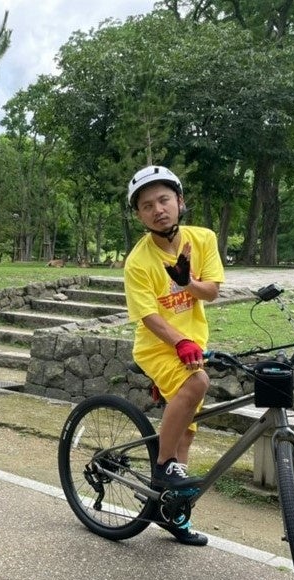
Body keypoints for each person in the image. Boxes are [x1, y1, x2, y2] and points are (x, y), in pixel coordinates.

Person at [123, 165, 225, 546]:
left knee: (187, 435)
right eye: (147, 205)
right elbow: (148, 316)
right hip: (157, 346)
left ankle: (171, 512)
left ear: (180, 201)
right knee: (198, 383)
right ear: (139, 215)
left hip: (194, 344)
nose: (158, 210)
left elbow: (211, 291)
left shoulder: (203, 239)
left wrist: (187, 282)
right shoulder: (138, 261)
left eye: (164, 200)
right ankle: (162, 467)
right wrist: (179, 343)